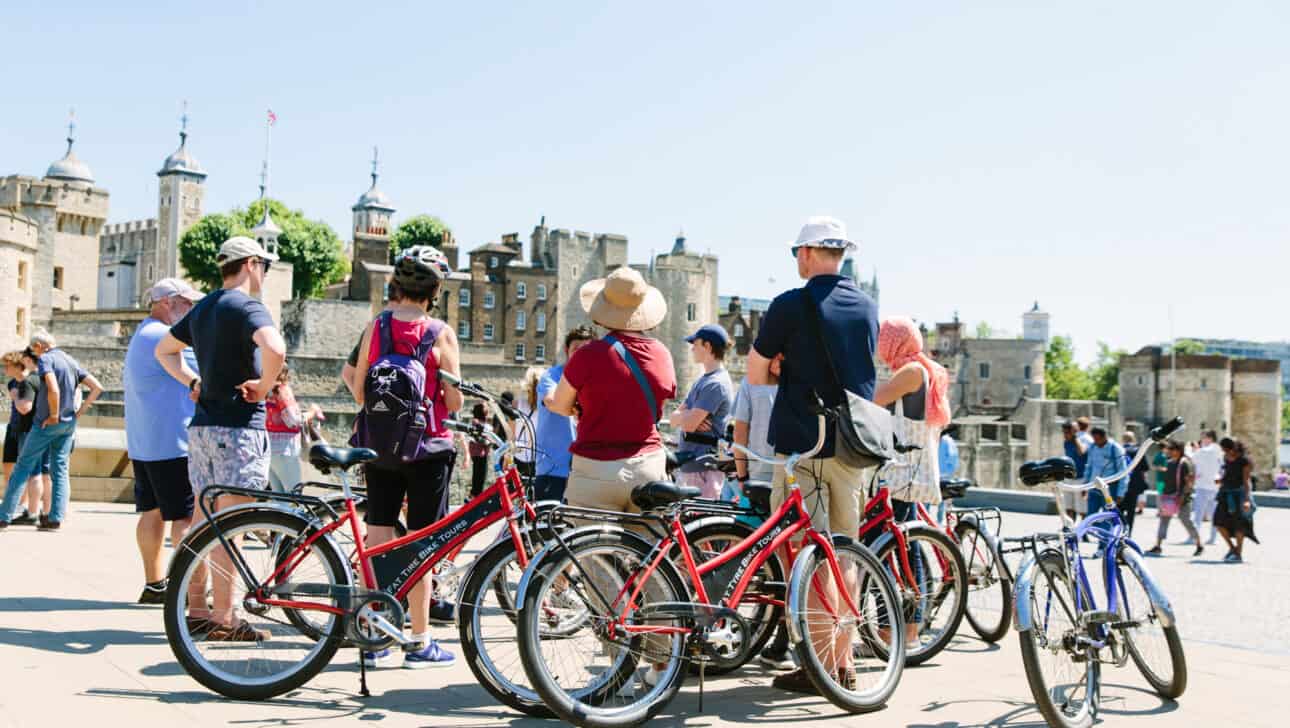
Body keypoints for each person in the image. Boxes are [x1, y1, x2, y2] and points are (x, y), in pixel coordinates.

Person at [746, 216, 877, 695]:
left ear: (804, 254)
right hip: (854, 447)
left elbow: (756, 375)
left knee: (811, 553)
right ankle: (844, 662)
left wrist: (785, 369)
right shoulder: (867, 306)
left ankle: (822, 667)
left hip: (807, 445)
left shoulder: (789, 306)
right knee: (846, 555)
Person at [548, 266, 677, 688]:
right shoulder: (660, 354)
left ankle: (619, 657)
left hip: (594, 470)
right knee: (653, 564)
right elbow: (662, 397)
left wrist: (571, 403)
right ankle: (661, 661)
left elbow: (562, 405)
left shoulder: (586, 356)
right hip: (648, 466)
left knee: (595, 559)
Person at [155, 236, 286, 641]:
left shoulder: (206, 306)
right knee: (233, 526)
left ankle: (195, 609)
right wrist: (265, 386)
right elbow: (275, 348)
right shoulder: (247, 306)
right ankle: (226, 619)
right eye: (263, 265)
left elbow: (164, 350)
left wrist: (191, 380)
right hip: (240, 426)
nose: (264, 272)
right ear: (250, 264)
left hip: (203, 428)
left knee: (201, 520)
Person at [351, 245, 461, 667]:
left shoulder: (377, 327)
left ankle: (375, 637)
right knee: (422, 546)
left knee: (377, 540)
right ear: (435, 289)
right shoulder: (440, 332)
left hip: (378, 448)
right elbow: (452, 402)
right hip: (427, 448)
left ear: (397, 284)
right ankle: (418, 640)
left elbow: (361, 390)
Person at [872, 315, 951, 647]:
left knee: (887, 546)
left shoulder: (911, 371)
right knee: (907, 546)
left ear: (895, 341)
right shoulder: (922, 368)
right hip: (911, 466)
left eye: (882, 339)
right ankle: (908, 631)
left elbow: (873, 399)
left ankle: (898, 630)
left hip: (904, 468)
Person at [123, 279, 203, 603]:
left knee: (152, 512)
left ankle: (155, 584)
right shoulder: (164, 337)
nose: (192, 311)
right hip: (172, 442)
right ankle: (187, 590)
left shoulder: (143, 333)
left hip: (146, 442)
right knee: (184, 518)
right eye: (187, 304)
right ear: (169, 302)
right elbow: (206, 373)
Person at [0, 330, 102, 531]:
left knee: (22, 467)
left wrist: (54, 414)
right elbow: (97, 387)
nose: (33, 354)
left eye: (33, 349)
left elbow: (53, 388)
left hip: (47, 423)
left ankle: (4, 516)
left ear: (39, 346)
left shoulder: (46, 359)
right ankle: (54, 519)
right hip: (68, 424)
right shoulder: (70, 360)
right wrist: (79, 412)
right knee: (60, 470)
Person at [727, 352, 790, 671]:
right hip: (789, 479)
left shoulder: (751, 385)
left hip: (757, 478)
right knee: (787, 560)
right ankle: (780, 639)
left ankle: (738, 625)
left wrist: (741, 476)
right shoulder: (796, 384)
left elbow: (740, 433)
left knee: (748, 557)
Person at [669, 324, 734, 499]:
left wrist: (686, 418)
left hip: (703, 470)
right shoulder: (704, 380)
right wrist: (687, 417)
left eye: (695, 344)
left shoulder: (715, 384)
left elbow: (688, 425)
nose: (692, 349)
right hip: (693, 466)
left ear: (708, 346)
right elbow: (673, 418)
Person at [532, 326, 594, 502]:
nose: (581, 355)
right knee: (547, 527)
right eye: (576, 350)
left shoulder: (594, 381)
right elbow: (551, 401)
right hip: (554, 469)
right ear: (567, 351)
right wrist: (577, 408)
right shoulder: (552, 376)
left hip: (587, 471)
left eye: (586, 350)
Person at [3, 351, 47, 524]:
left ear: (16, 365)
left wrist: (15, 397)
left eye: (7, 365)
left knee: (32, 472)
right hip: (14, 428)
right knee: (9, 466)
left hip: (29, 430)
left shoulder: (31, 381)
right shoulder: (12, 383)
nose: (5, 369)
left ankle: (30, 510)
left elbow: (25, 408)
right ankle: (20, 505)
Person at [264, 364, 323, 493]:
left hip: (269, 449)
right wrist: (312, 412)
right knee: (294, 494)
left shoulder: (265, 390)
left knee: (278, 497)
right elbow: (294, 420)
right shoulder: (282, 390)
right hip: (285, 450)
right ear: (285, 374)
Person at [1149, 439, 1201, 556]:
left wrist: (1183, 496)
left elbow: (1189, 482)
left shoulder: (1185, 463)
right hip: (1169, 496)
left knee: (1186, 520)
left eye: (1171, 449)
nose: (1169, 451)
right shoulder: (1170, 462)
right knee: (1164, 520)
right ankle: (1158, 545)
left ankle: (1199, 544)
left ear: (1178, 450)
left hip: (1181, 497)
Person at [1213, 438, 1258, 563]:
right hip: (1225, 493)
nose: (1226, 452)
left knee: (1240, 525)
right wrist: (1220, 480)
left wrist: (1247, 499)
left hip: (1239, 494)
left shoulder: (1245, 461)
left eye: (1227, 449)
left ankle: (1238, 553)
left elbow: (1246, 481)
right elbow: (1227, 474)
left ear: (1235, 448)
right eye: (1224, 450)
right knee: (1218, 522)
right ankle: (1233, 549)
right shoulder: (1226, 458)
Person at [1187, 430, 1223, 546]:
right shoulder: (1217, 451)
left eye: (1203, 438)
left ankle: (1195, 537)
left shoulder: (1208, 450)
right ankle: (1211, 538)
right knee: (1209, 514)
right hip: (1210, 485)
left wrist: (1192, 449)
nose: (1202, 440)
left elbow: (1192, 458)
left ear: (1210, 438)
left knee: (1199, 514)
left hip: (1205, 486)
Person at [1116, 432, 1151, 536]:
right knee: (1131, 511)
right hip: (1134, 485)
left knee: (1119, 510)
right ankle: (1128, 533)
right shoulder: (1138, 450)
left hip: (1120, 484)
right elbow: (1145, 468)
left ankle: (1118, 531)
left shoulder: (1119, 450)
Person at [515, 368, 545, 480]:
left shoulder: (517, 403)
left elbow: (511, 436)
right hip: (537, 458)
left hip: (518, 455)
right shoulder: (546, 408)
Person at [1059, 421, 1090, 520]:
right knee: (1068, 507)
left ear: (1074, 432)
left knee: (1082, 509)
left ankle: (1083, 532)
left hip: (1081, 478)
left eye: (1067, 433)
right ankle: (1071, 531)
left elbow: (1081, 452)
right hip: (1069, 477)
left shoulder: (1083, 440)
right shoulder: (1066, 443)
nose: (1065, 435)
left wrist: (1075, 438)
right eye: (1064, 433)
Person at [467, 402, 493, 500]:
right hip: (480, 453)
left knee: (478, 475)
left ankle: (475, 495)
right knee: (480, 476)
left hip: (479, 452)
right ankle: (476, 496)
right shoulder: (477, 423)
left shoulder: (478, 422)